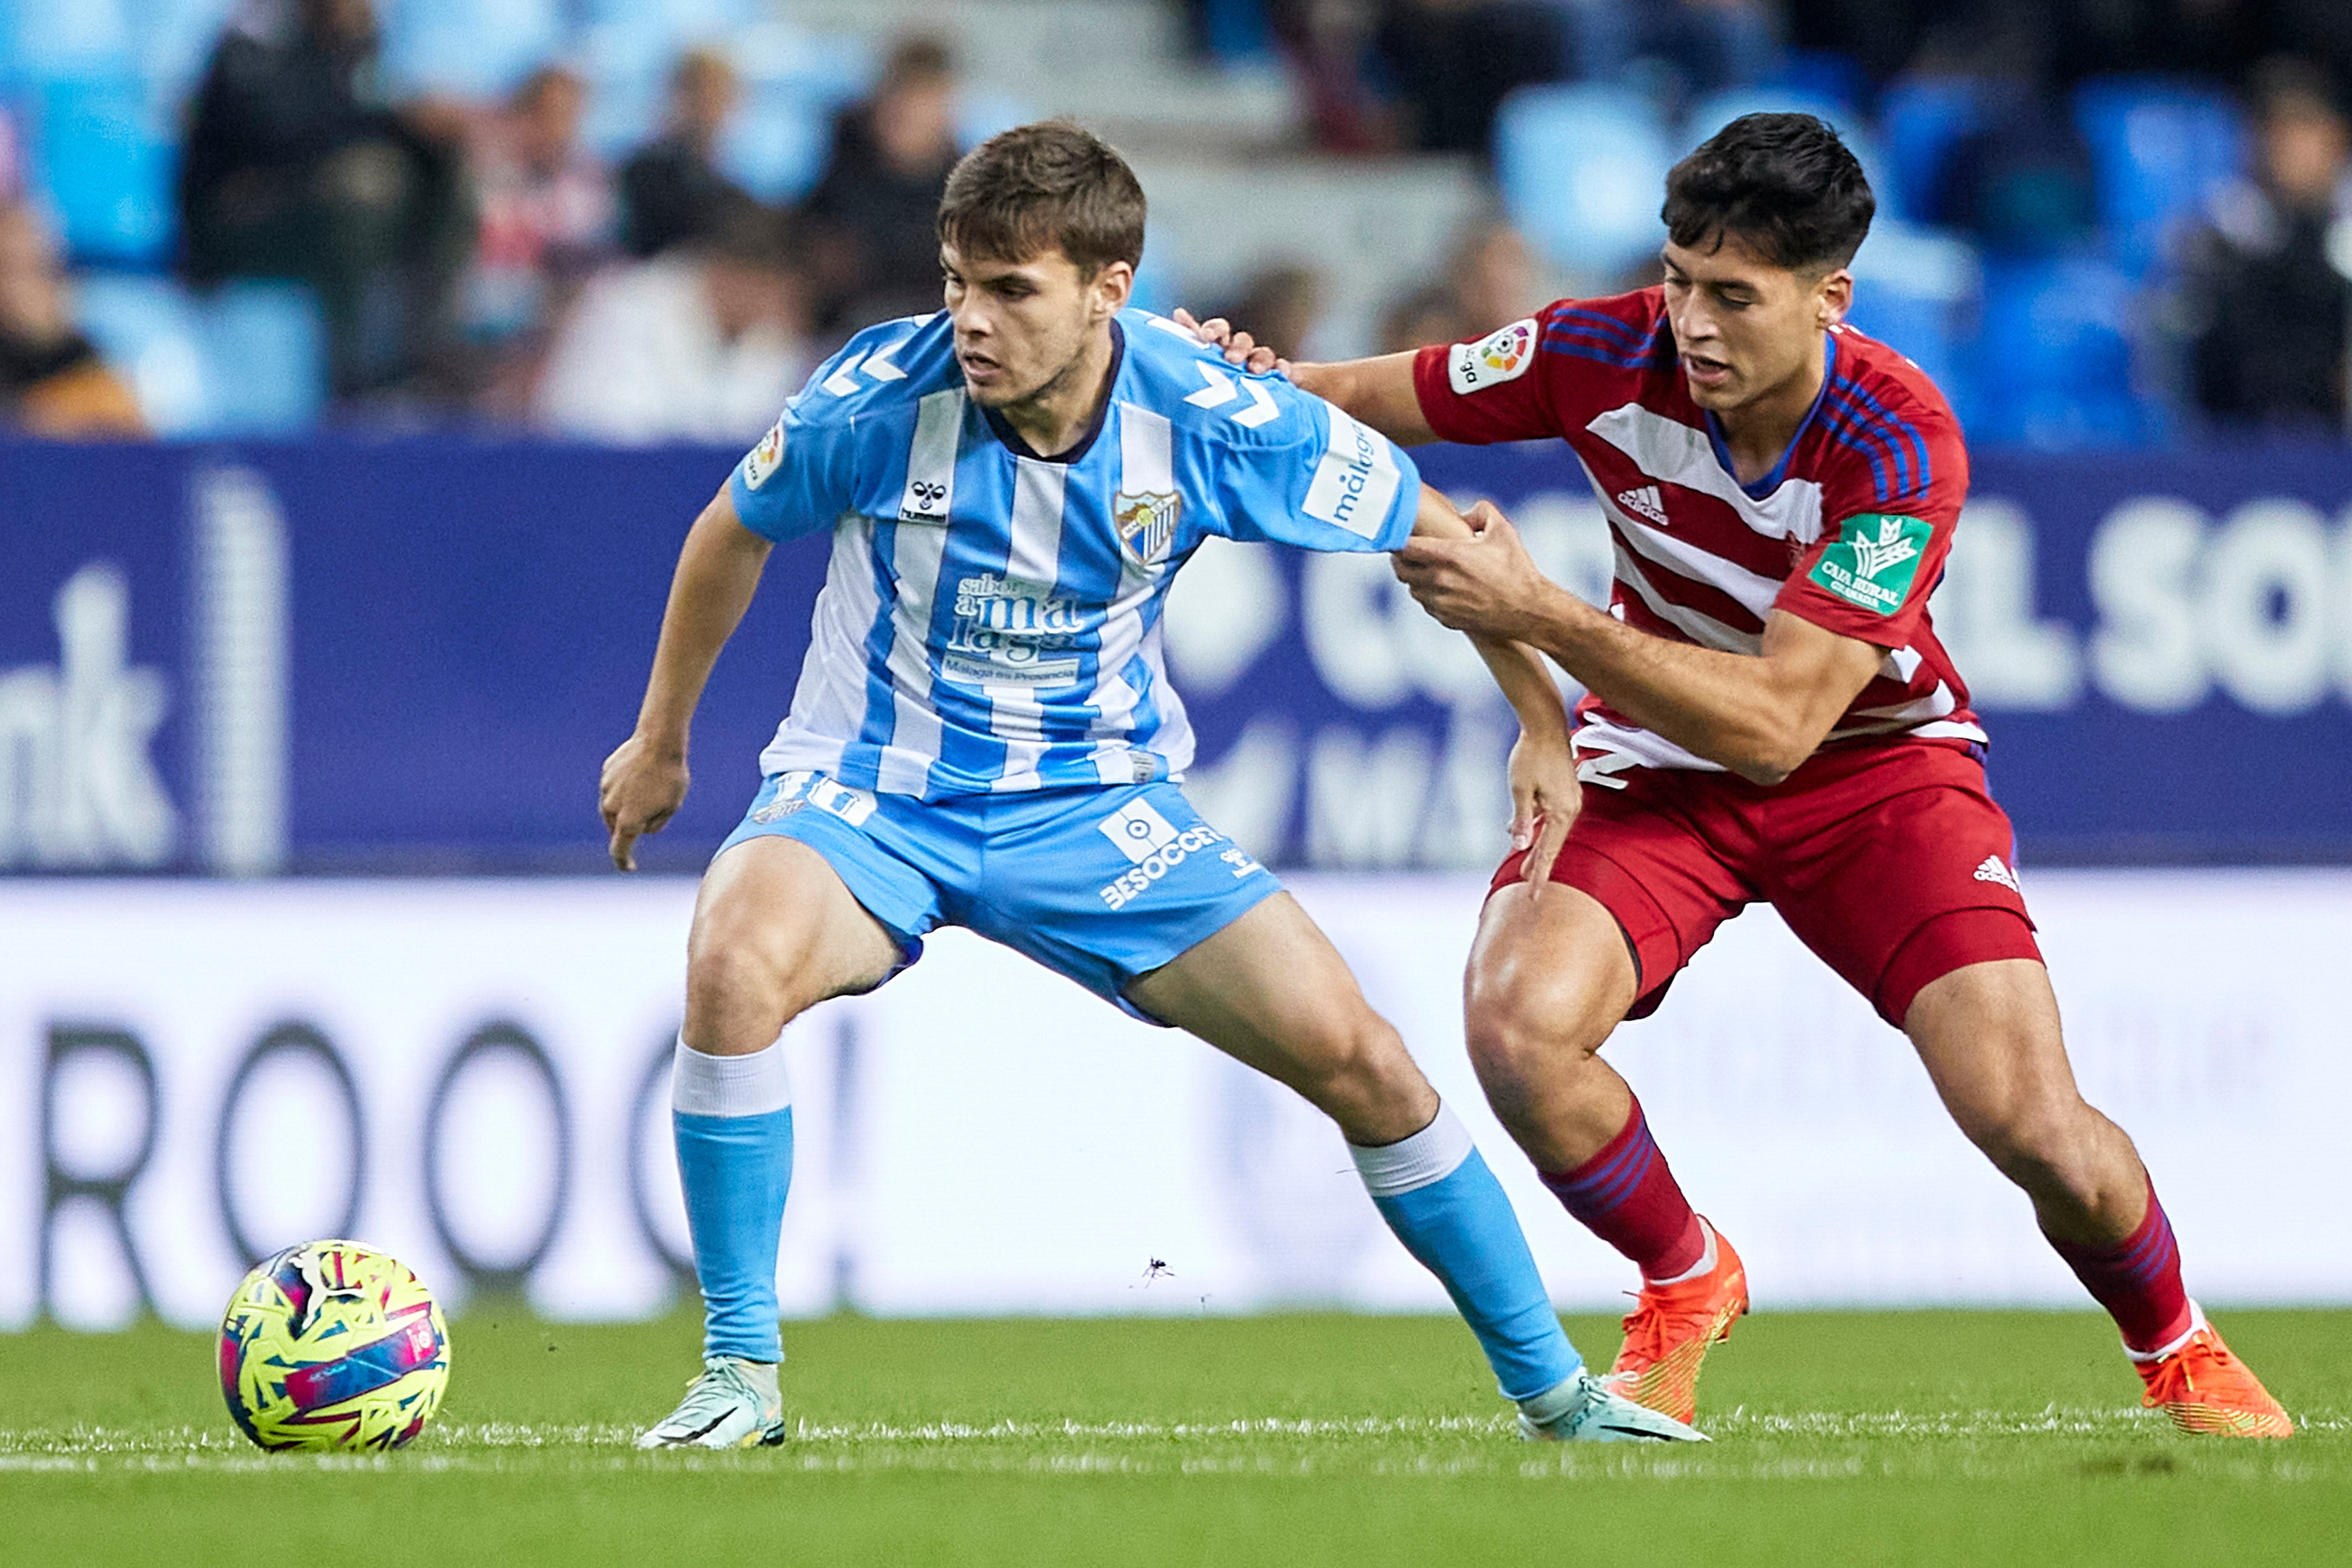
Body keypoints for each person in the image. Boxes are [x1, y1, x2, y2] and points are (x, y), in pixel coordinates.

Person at [596, 120, 1703, 1451]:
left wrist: (1536, 715)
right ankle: (737, 1375)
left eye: (1011, 290)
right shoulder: (878, 396)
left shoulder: (1214, 418)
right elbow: (730, 531)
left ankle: (1555, 1396)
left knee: (1359, 1057)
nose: (971, 320)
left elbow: (1435, 536)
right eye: (958, 281)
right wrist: (663, 741)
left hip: (1096, 807)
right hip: (870, 793)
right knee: (731, 955)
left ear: (1108, 290)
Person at [1184, 112, 2293, 1439]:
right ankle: (1682, 1272)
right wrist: (1230, 379)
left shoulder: (1898, 441)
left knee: (2031, 1124)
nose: (1690, 323)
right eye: (1675, 277)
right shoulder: (1598, 350)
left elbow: (1776, 725)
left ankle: (2173, 1341)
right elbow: (1360, 397)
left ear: (1829, 298)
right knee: (1515, 1026)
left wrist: (1536, 614)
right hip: (1656, 763)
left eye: (1731, 295)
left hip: (1873, 773)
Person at [176, 0, 472, 400]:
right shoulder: (258, 32)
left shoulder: (366, 42)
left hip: (314, 207)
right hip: (236, 223)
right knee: (364, 189)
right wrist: (388, 114)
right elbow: (276, 129)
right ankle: (349, 379)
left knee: (448, 177)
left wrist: (433, 132)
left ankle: (424, 360)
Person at [533, 203, 813, 445]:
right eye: (770, 288)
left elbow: (765, 438)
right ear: (728, 273)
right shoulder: (630, 303)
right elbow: (611, 422)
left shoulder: (773, 338)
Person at [2180, 59, 2352, 432]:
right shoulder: (2225, 228)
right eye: (2276, 134)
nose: (2288, 149)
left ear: (2336, 137)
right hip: (2253, 426)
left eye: (2304, 129)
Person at [463, 64, 614, 412]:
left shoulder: (591, 184)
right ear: (521, 116)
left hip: (556, 336)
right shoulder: (480, 178)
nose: (556, 129)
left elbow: (588, 268)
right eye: (545, 115)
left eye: (568, 116)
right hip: (482, 326)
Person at [798, 35, 963, 332]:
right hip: (836, 332)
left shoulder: (963, 193)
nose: (905, 110)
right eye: (899, 96)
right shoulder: (843, 166)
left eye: (920, 98)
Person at [0, 202, 146, 438]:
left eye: (35, 269)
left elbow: (132, 443)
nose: (19, 288)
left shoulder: (86, 361)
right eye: (7, 269)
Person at [617, 48, 751, 260]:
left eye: (719, 92)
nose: (710, 103)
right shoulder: (646, 170)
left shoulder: (730, 181)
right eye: (701, 91)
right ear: (678, 95)